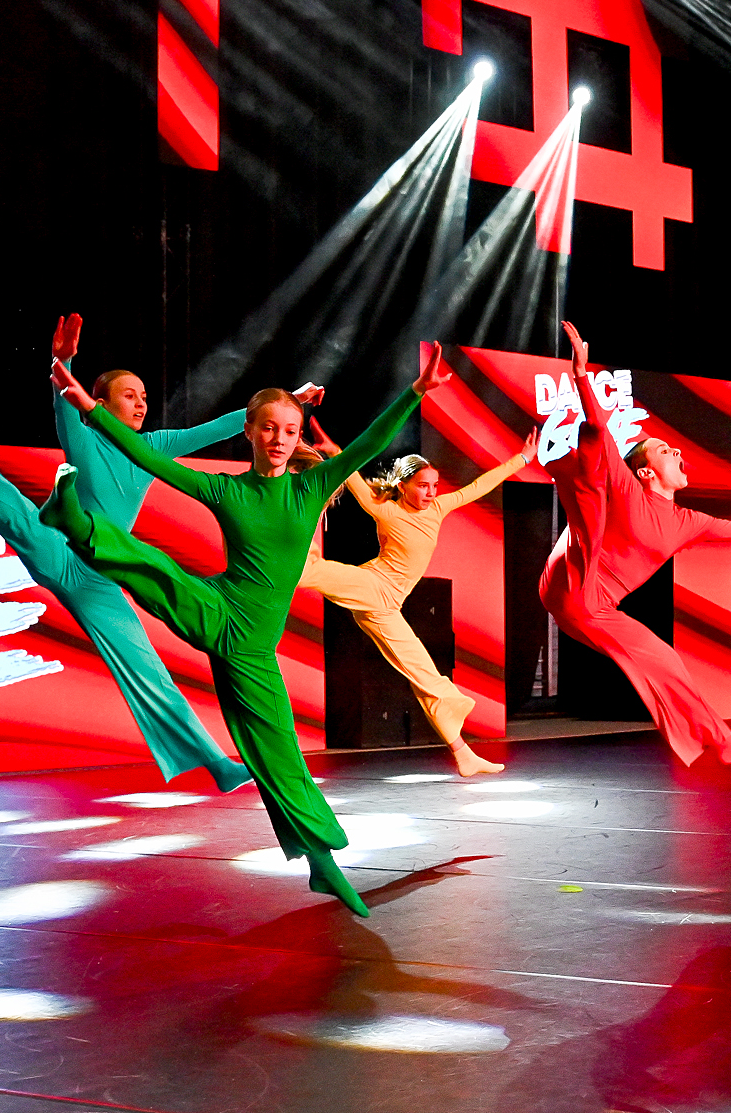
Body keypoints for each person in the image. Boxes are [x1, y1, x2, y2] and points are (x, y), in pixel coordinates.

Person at [42, 347, 448, 917]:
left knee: (277, 756)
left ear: (298, 435)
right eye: (269, 428)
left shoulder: (310, 488)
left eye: (290, 430)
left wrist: (415, 392)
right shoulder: (227, 490)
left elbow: (368, 445)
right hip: (221, 610)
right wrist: (88, 407)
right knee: (161, 574)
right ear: (251, 432)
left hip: (253, 649)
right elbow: (149, 457)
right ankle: (78, 524)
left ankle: (321, 865)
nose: (280, 439)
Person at [0, 314, 316, 793]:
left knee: (148, 671)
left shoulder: (154, 445)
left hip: (100, 575)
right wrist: (63, 361)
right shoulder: (84, 437)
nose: (142, 403)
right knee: (36, 525)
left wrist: (289, 401)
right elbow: (64, 406)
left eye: (144, 396)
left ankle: (216, 763)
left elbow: (219, 428)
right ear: (99, 403)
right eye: (129, 395)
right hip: (64, 545)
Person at [540, 322, 731, 775]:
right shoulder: (629, 488)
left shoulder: (687, 522)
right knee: (593, 469)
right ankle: (579, 495)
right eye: (665, 450)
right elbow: (601, 429)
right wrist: (582, 375)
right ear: (646, 472)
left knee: (666, 660)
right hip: (571, 577)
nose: (678, 453)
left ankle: (722, 741)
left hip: (594, 608)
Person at [299, 419, 536, 777]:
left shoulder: (438, 509)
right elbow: (353, 477)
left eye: (434, 486)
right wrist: (334, 451)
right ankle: (277, 556)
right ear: (403, 486)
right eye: (423, 486)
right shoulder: (385, 509)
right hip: (373, 586)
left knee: (424, 676)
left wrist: (522, 459)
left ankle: (463, 754)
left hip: (388, 606)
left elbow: (479, 486)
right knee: (312, 570)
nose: (430, 493)